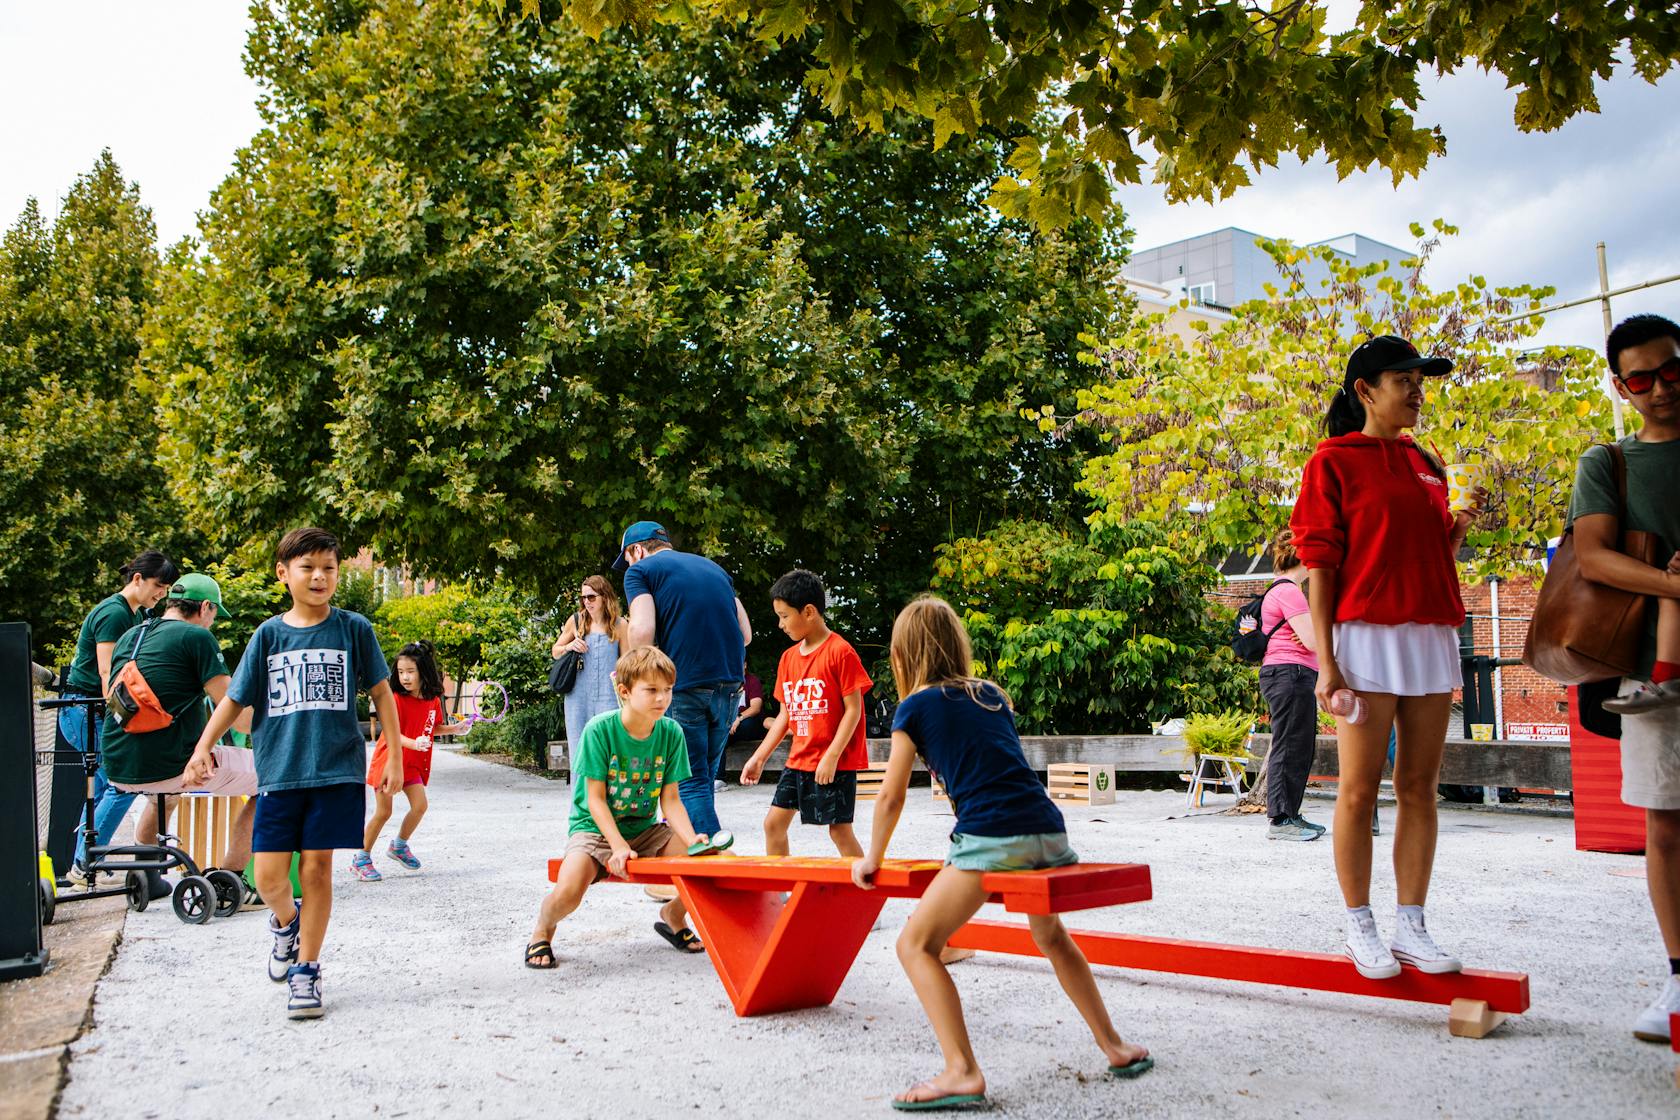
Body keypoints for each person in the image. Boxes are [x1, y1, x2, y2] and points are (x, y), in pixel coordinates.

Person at [853, 596, 1151, 1109]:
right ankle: (1115, 1045)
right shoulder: (991, 694)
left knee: (915, 945)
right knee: (1051, 936)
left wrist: (871, 859)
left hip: (994, 839)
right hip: (1049, 833)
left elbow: (890, 795)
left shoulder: (915, 706)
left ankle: (961, 1071)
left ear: (903, 656)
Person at [1290, 334, 1481, 980]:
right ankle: (1359, 926)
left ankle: (1412, 926)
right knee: (1357, 790)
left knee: (1419, 789)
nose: (1417, 390)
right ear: (1365, 390)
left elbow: (1425, 559)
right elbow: (1319, 562)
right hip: (1364, 635)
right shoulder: (1332, 461)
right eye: (1405, 380)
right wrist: (1328, 660)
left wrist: (1455, 529)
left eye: (1420, 380)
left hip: (1429, 634)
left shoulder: (1427, 462)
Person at [186, 527, 404, 1020]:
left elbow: (382, 694)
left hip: (335, 770)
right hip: (280, 773)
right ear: (284, 574)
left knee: (316, 869)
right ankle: (286, 924)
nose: (320, 576)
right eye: (308, 567)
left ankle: (307, 969)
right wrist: (202, 747)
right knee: (266, 878)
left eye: (328, 567)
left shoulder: (354, 629)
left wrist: (394, 757)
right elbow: (235, 699)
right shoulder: (269, 635)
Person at [1567, 313, 1680, 1041]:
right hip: (1653, 675)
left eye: (1672, 371)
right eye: (1642, 379)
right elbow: (1594, 557)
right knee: (1666, 828)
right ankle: (1677, 981)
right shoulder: (1608, 462)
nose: (1661, 388)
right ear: (1620, 386)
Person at [524, 646, 711, 969]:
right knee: (568, 892)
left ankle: (672, 915)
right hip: (594, 830)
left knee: (708, 863)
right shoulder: (600, 729)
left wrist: (692, 839)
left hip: (645, 830)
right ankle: (543, 927)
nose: (662, 699)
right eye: (651, 690)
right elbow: (594, 799)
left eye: (667, 690)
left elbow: (670, 800)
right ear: (624, 692)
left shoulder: (671, 733)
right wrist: (618, 845)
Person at [103, 574, 257, 878]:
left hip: (118, 766)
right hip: (173, 766)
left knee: (165, 795)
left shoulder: (130, 636)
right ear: (204, 607)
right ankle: (230, 877)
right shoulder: (197, 638)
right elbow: (237, 714)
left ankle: (146, 875)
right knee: (271, 781)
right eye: (214, 615)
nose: (212, 623)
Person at [615, 520, 751, 839]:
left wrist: (634, 672)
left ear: (636, 550)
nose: (627, 568)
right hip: (730, 686)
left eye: (627, 559)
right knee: (701, 779)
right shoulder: (715, 569)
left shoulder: (641, 571)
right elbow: (745, 634)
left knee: (687, 781)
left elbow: (642, 630)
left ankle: (717, 866)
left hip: (687, 684)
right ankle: (688, 867)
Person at [61, 549, 180, 880]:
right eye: (159, 585)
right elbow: (107, 674)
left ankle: (82, 866)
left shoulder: (135, 615)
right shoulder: (115, 613)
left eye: (167, 588)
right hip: (86, 710)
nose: (162, 594)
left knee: (102, 793)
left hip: (92, 711)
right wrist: (123, 724)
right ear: (138, 579)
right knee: (121, 786)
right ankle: (85, 863)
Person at [739, 570, 872, 858]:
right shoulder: (788, 659)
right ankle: (780, 895)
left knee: (839, 831)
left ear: (809, 612)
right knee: (773, 825)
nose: (780, 624)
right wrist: (759, 757)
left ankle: (864, 890)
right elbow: (785, 715)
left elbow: (854, 710)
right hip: (799, 760)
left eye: (785, 616)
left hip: (833, 762)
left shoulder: (841, 652)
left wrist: (832, 756)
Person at [351, 640, 466, 881]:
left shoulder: (432, 700)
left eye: (410, 672)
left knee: (420, 806)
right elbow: (391, 733)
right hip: (388, 762)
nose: (404, 677)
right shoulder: (395, 699)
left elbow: (430, 729)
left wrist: (454, 729)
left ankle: (399, 846)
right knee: (383, 812)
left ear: (423, 671)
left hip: (411, 764)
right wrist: (414, 743)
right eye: (401, 672)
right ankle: (361, 858)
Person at [1257, 529, 1325, 841]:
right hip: (1289, 673)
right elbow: (1312, 640)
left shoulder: (1287, 591)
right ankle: (1280, 820)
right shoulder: (1289, 591)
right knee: (1288, 745)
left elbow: (1311, 638)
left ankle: (1291, 814)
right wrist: (1316, 632)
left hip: (1294, 673)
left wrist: (1313, 632)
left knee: (1300, 746)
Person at [553, 575, 630, 751]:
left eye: (591, 597)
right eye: (583, 597)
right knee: (579, 750)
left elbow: (627, 663)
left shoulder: (620, 625)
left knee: (608, 750)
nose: (587, 602)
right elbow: (555, 651)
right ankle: (578, 781)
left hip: (609, 696)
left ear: (605, 597)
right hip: (577, 697)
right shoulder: (577, 621)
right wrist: (569, 646)